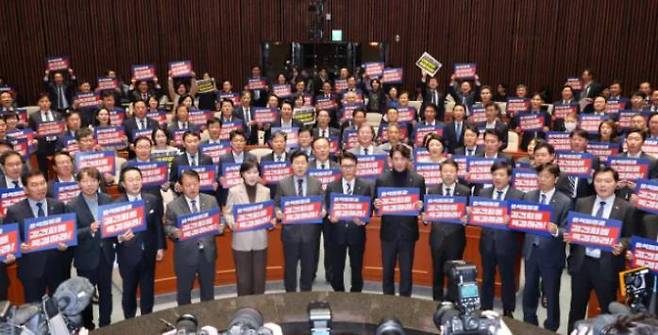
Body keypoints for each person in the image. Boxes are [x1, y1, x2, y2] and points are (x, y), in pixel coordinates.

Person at [566, 166, 635, 332]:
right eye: (598, 181)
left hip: (607, 266)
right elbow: (574, 228)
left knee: (607, 311)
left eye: (607, 181)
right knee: (576, 308)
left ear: (616, 184)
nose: (602, 185)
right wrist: (571, 235)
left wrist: (623, 245)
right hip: (581, 264)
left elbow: (631, 236)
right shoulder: (582, 203)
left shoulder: (626, 208)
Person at [3, 170, 70, 302]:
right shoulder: (14, 211)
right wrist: (18, 246)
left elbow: (66, 234)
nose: (40, 188)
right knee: (34, 308)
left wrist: (65, 246)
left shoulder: (58, 205)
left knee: (59, 305)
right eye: (34, 185)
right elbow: (9, 240)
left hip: (57, 266)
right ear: (25, 188)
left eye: (42, 183)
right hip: (31, 270)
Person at [521, 163, 571, 331]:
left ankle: (551, 325)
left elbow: (568, 228)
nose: (541, 180)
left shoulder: (565, 201)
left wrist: (556, 229)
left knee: (551, 293)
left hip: (552, 255)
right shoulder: (529, 196)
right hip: (531, 251)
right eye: (540, 176)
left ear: (555, 179)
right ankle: (529, 321)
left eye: (546, 177)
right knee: (529, 289)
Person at [373, 144, 426, 296]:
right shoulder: (382, 180)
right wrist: (377, 205)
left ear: (408, 160)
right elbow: (376, 207)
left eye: (402, 159)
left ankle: (405, 303)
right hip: (388, 234)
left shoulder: (418, 179)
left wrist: (421, 206)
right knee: (387, 272)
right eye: (396, 159)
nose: (399, 162)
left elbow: (422, 207)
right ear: (390, 160)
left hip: (408, 234)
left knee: (406, 273)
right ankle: (388, 302)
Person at [164, 169, 222, 305]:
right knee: (184, 292)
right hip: (185, 254)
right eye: (188, 185)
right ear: (181, 187)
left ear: (199, 184)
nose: (192, 188)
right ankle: (186, 322)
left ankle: (208, 321)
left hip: (207, 253)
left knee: (208, 291)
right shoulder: (173, 205)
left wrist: (221, 225)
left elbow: (221, 218)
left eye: (195, 184)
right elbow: (167, 226)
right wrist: (174, 232)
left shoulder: (211, 200)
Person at [115, 166, 164, 318]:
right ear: (123, 184)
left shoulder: (152, 200)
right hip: (128, 255)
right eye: (130, 180)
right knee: (129, 291)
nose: (135, 183)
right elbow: (110, 233)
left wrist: (160, 247)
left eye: (138, 179)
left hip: (149, 253)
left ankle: (147, 318)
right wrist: (120, 238)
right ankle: (129, 321)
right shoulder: (116, 205)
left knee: (148, 290)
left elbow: (157, 226)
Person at [69, 167, 114, 329]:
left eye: (93, 180)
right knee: (86, 296)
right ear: (79, 183)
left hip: (106, 254)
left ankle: (106, 325)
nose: (90, 184)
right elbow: (71, 234)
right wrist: (89, 229)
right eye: (85, 181)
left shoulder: (107, 199)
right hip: (86, 258)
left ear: (99, 182)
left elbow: (113, 225)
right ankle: (89, 326)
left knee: (106, 294)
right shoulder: (72, 205)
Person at [477, 161, 524, 316]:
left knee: (508, 279)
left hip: (508, 245)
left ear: (509, 177)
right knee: (487, 277)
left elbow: (522, 222)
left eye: (501, 174)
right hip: (487, 243)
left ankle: (508, 310)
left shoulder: (518, 196)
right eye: (495, 174)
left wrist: (512, 220)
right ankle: (485, 308)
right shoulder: (483, 194)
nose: (497, 178)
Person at [274, 150, 325, 292]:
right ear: (291, 165)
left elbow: (323, 203)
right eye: (297, 163)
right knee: (290, 267)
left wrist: (324, 210)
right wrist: (278, 212)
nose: (300, 166)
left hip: (310, 234)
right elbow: (276, 203)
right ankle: (290, 295)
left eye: (303, 163)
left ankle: (305, 294)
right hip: (290, 234)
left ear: (307, 164)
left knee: (308, 268)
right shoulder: (283, 183)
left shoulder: (316, 183)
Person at [223, 159, 275, 296]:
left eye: (255, 172)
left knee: (259, 279)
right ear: (242, 174)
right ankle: (244, 310)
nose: (252, 175)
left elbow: (269, 214)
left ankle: (258, 307)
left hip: (260, 240)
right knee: (243, 280)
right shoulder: (234, 191)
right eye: (248, 172)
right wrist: (231, 223)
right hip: (241, 241)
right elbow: (227, 213)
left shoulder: (265, 191)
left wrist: (271, 221)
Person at [325, 152, 373, 292]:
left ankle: (356, 293)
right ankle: (339, 293)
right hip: (337, 233)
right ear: (340, 167)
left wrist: (363, 220)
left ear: (356, 167)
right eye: (345, 166)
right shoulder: (332, 186)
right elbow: (328, 207)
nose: (348, 169)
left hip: (356, 233)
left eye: (351, 166)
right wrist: (330, 216)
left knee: (356, 266)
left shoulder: (365, 186)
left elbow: (368, 210)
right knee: (337, 267)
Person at [424, 158, 470, 301]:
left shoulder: (465, 191)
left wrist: (467, 219)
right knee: (437, 271)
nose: (448, 174)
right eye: (445, 171)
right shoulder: (432, 191)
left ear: (457, 173)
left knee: (454, 273)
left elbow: (469, 215)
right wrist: (425, 218)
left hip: (456, 238)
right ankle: (436, 300)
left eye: (451, 171)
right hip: (437, 238)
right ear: (440, 173)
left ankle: (451, 301)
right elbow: (427, 214)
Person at [29, 93, 62, 177]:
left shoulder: (57, 115)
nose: (44, 104)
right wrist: (35, 135)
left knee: (58, 167)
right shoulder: (33, 116)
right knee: (43, 169)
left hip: (56, 145)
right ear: (38, 103)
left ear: (50, 103)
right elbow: (30, 132)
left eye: (46, 101)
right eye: (42, 101)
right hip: (42, 146)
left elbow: (61, 129)